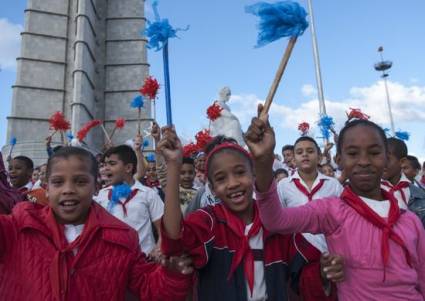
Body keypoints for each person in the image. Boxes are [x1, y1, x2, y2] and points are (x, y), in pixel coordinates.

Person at [251, 114, 425, 300]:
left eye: (374, 153)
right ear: (339, 160)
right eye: (352, 154)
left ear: (386, 158)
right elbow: (275, 220)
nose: (364, 161)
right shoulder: (331, 211)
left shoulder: (410, 220)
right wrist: (263, 163)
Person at [158, 129, 344, 301]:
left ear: (253, 175)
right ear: (212, 189)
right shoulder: (207, 222)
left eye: (240, 173)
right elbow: (174, 240)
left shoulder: (276, 226)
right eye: (221, 179)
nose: (233, 184)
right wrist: (174, 164)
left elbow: (304, 275)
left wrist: (322, 272)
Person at [0, 146, 193, 300]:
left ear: (96, 187)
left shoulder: (123, 238)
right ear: (47, 188)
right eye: (58, 182)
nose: (68, 189)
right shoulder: (18, 226)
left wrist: (172, 275)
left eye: (81, 182)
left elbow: (150, 287)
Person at [277, 136, 343, 300]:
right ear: (293, 158)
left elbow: (344, 218)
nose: (305, 155)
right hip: (298, 255)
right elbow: (278, 220)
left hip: (329, 251)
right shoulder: (284, 185)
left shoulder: (333, 184)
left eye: (310, 151)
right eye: (299, 152)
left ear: (319, 157)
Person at [95, 145, 164, 257]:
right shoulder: (102, 195)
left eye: (112, 164)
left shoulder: (148, 194)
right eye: (105, 164)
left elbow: (163, 230)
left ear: (128, 168)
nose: (106, 168)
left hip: (143, 263)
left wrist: (158, 250)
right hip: (112, 264)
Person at [382, 138, 425, 227]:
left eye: (387, 158)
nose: (382, 163)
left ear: (402, 162)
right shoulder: (370, 191)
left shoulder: (419, 194)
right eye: (379, 157)